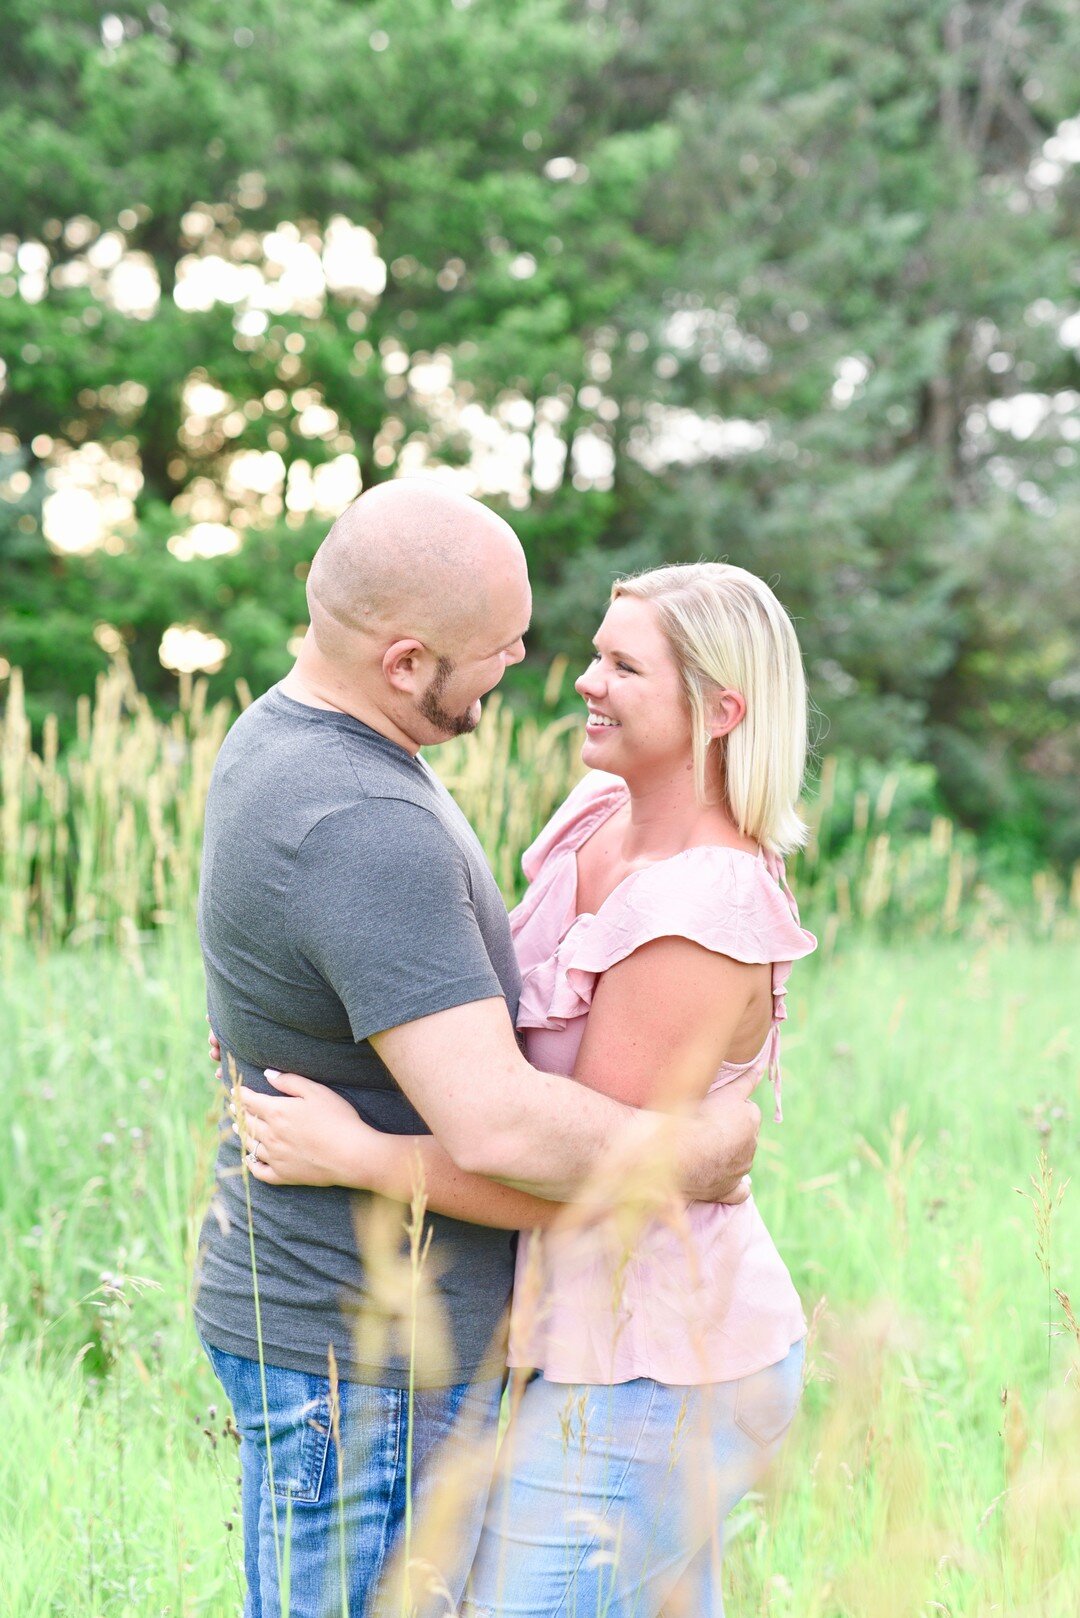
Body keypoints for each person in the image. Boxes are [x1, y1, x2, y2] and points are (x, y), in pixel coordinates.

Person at [195, 482, 762, 1618]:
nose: (526, 666)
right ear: (407, 662)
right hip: (364, 1362)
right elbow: (499, 1122)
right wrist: (696, 1152)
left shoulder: (289, 737)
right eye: (498, 648)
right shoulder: (360, 821)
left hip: (354, 1334)